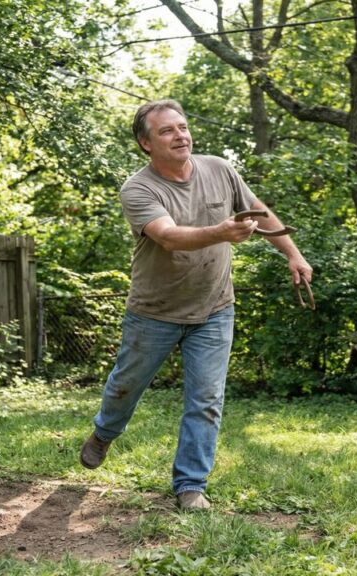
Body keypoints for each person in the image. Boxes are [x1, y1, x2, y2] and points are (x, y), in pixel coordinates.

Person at [79, 99, 313, 510]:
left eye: (182, 127)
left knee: (206, 400)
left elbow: (260, 212)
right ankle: (105, 432)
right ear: (146, 143)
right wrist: (221, 232)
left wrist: (293, 254)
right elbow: (168, 237)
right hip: (154, 311)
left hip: (214, 308)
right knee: (124, 388)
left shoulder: (219, 169)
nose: (180, 135)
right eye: (166, 131)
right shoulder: (139, 188)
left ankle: (191, 486)